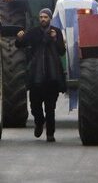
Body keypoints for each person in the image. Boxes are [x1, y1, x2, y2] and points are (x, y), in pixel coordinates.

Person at [15, 8, 66, 142]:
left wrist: (55, 39)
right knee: (35, 107)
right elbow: (20, 44)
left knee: (50, 108)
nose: (43, 19)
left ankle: (50, 134)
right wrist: (19, 38)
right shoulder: (33, 32)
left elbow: (61, 51)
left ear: (50, 19)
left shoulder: (56, 32)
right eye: (41, 17)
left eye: (45, 17)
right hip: (36, 77)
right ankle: (39, 122)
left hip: (52, 76)